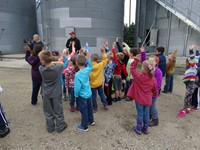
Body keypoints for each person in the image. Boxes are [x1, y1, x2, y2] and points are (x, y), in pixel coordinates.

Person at [127, 54, 158, 135]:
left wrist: (136, 60)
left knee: (140, 114)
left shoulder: (139, 76)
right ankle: (145, 129)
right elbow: (155, 90)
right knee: (146, 114)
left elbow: (132, 69)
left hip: (139, 100)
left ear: (144, 69)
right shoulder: (153, 79)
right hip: (148, 100)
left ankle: (138, 129)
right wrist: (154, 95)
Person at [38, 50, 67, 133]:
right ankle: (60, 126)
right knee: (58, 110)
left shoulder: (41, 68)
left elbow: (47, 63)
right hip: (56, 92)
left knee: (48, 111)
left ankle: (50, 127)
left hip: (46, 92)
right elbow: (61, 63)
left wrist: (50, 61)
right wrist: (53, 61)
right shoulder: (58, 68)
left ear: (43, 61)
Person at [74, 52, 95, 132]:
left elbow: (77, 87)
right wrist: (88, 59)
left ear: (76, 63)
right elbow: (91, 67)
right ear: (85, 62)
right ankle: (91, 120)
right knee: (90, 107)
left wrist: (76, 94)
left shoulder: (77, 75)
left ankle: (84, 126)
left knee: (84, 110)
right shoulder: (87, 70)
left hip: (82, 95)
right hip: (89, 93)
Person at [177, 46, 197, 118]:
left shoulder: (193, 66)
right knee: (189, 96)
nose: (186, 63)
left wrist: (191, 50)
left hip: (191, 83)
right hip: (188, 83)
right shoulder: (189, 69)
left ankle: (184, 110)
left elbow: (192, 59)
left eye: (187, 62)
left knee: (187, 96)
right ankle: (188, 108)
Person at [148, 55, 162, 126]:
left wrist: (154, 91)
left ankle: (155, 120)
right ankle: (149, 116)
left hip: (153, 93)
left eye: (152, 61)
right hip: (148, 92)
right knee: (149, 105)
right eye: (149, 61)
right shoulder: (148, 70)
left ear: (156, 62)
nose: (150, 63)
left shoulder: (158, 72)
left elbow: (158, 84)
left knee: (152, 106)